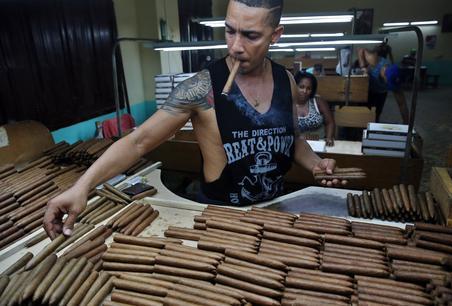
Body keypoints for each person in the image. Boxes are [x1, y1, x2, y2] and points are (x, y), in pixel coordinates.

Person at [43, 0, 346, 239]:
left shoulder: (287, 81)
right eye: (230, 30)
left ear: (275, 35)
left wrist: (315, 163)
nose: (235, 45)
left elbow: (293, 141)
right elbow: (138, 142)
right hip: (220, 220)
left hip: (275, 214)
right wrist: (82, 187)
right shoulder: (201, 88)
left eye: (250, 35)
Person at [358, 46, 409, 123]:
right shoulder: (374, 61)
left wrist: (406, 124)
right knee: (364, 114)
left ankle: (373, 127)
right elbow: (360, 50)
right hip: (369, 90)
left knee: (377, 114)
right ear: (384, 72)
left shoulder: (395, 80)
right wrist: (363, 67)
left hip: (381, 93)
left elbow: (402, 104)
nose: (388, 84)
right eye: (387, 82)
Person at [294, 71, 335, 146]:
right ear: (295, 86)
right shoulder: (287, 103)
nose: (305, 91)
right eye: (301, 87)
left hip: (319, 144)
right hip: (296, 144)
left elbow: (330, 123)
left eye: (308, 88)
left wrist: (329, 138)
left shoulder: (318, 101)